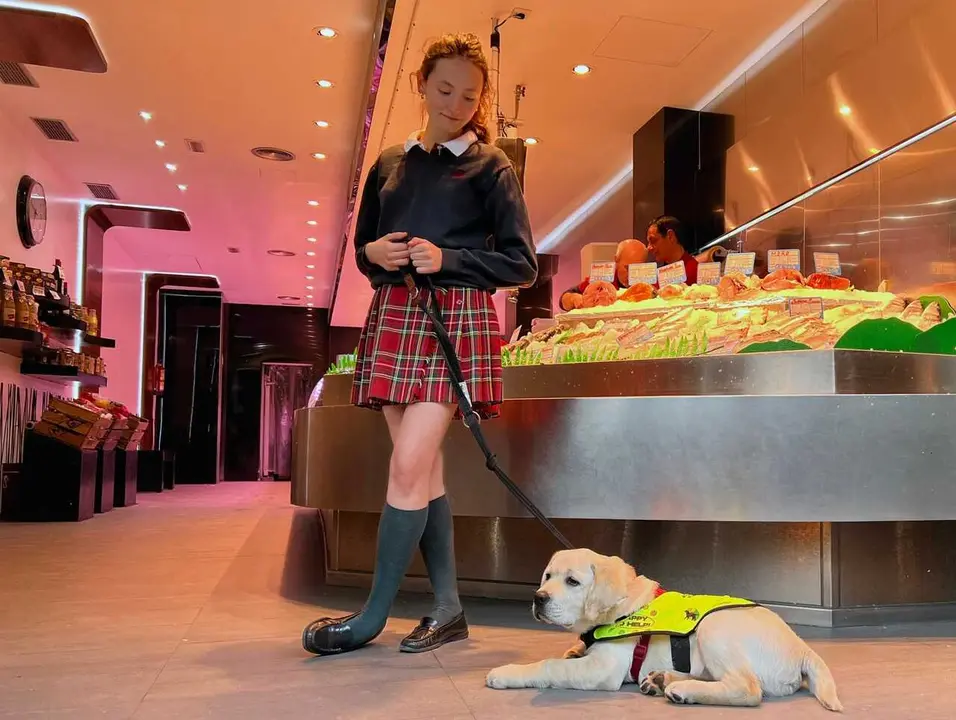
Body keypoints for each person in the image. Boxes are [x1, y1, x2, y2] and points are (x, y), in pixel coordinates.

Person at [301, 33, 537, 657]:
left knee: (408, 465)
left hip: (455, 321)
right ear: (421, 86)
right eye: (444, 89)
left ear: (481, 99)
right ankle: (449, 609)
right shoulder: (388, 163)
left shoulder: (492, 165)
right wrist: (373, 254)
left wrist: (449, 258)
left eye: (469, 95)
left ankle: (371, 618)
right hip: (395, 315)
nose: (455, 104)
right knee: (422, 471)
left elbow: (521, 264)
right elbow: (364, 252)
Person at [558, 238, 648, 312]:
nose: (631, 275)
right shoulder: (602, 279)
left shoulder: (650, 283)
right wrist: (573, 298)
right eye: (627, 268)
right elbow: (563, 300)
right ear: (616, 260)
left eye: (637, 269)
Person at [646, 215, 698, 285]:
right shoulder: (662, 274)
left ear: (670, 236)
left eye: (653, 241)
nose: (648, 247)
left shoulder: (695, 272)